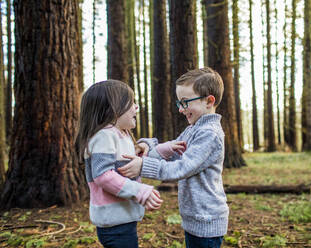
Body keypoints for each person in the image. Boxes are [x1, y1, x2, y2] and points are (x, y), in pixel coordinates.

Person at [118, 67, 229, 248]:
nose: (180, 109)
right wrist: (148, 145)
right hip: (195, 218)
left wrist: (143, 166)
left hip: (207, 219)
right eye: (179, 103)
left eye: (185, 102)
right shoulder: (194, 129)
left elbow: (182, 167)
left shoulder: (210, 134)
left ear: (209, 101)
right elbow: (171, 152)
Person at [74, 80, 164, 248]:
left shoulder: (120, 134)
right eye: (131, 103)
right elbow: (103, 176)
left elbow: (135, 154)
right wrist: (140, 191)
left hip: (121, 219)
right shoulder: (105, 136)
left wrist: (159, 147)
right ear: (113, 109)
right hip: (115, 224)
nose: (136, 107)